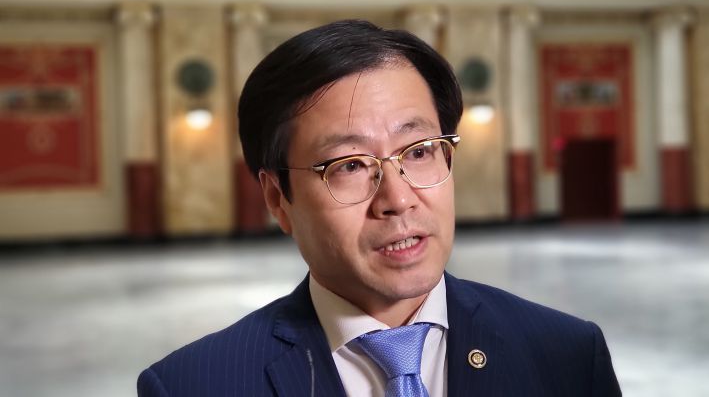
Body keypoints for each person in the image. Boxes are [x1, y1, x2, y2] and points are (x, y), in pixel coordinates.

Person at [138, 19, 621, 397]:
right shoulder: (194, 386)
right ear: (277, 199)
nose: (398, 199)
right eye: (349, 165)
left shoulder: (567, 357)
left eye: (419, 151)